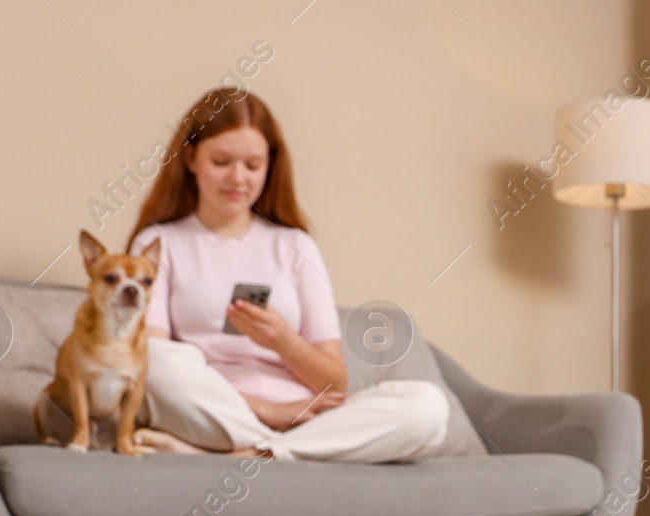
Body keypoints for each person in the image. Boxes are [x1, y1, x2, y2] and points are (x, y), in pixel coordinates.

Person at [127, 89, 447, 461]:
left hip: (305, 417)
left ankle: (258, 454)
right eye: (221, 161)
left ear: (270, 166)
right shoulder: (159, 242)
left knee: (427, 407)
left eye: (252, 165)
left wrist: (283, 341)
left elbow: (334, 382)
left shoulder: (296, 245)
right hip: (213, 412)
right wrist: (264, 409)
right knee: (150, 357)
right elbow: (149, 359)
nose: (237, 178)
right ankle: (280, 449)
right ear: (191, 159)